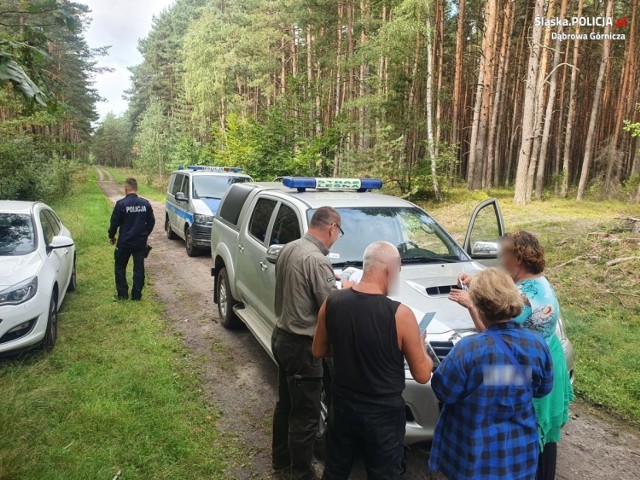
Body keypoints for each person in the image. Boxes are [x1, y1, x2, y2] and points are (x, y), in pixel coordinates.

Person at [450, 231, 574, 480]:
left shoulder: (528, 298)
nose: (500, 257)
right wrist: (476, 281)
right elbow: (506, 290)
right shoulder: (535, 282)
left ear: (517, 259)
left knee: (524, 425)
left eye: (503, 253)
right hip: (543, 358)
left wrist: (472, 304)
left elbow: (493, 334)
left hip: (527, 368)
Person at [313, 241, 432, 480]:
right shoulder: (401, 314)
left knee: (336, 468)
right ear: (390, 270)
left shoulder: (332, 302)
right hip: (383, 414)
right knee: (383, 474)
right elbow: (422, 375)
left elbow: (318, 350)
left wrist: (351, 347)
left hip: (343, 404)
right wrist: (420, 343)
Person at [429, 268, 554, 480]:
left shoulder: (468, 349)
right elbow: (542, 389)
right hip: (518, 453)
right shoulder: (537, 344)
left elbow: (444, 391)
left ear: (478, 306)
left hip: (473, 456)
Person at [272, 206, 351, 480]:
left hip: (281, 337)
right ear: (332, 227)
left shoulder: (290, 248)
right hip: (303, 346)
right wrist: (348, 291)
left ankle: (280, 459)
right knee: (305, 417)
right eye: (338, 233)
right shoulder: (316, 260)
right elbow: (330, 306)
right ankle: (302, 474)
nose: (336, 238)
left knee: (286, 403)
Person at [108, 178, 155, 301]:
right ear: (136, 188)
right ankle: (136, 296)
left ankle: (122, 295)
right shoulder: (145, 204)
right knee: (139, 268)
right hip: (140, 243)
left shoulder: (121, 204)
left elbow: (114, 223)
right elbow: (151, 221)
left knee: (119, 267)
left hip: (124, 242)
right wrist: (144, 234)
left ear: (126, 188)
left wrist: (112, 236)